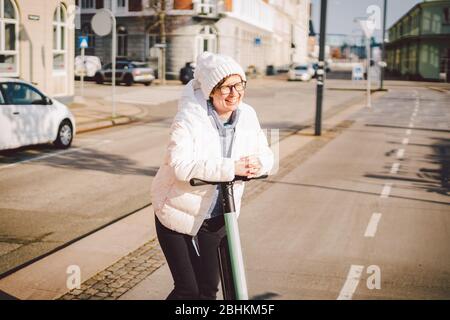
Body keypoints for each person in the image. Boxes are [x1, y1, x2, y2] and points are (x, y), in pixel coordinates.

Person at [150, 51, 274, 300]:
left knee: (208, 290)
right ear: (211, 91)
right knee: (188, 290)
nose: (235, 93)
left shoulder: (247, 115)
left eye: (239, 85)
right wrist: (231, 168)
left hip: (219, 214)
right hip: (177, 212)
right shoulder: (188, 118)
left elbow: (267, 155)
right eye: (227, 87)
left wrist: (256, 165)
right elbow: (181, 166)